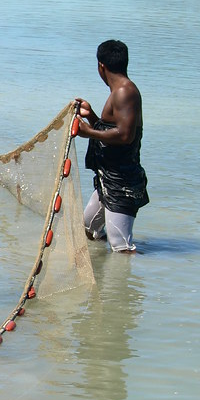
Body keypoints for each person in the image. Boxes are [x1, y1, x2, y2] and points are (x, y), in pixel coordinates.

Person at [75, 39, 149, 252]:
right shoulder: (119, 91)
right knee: (89, 228)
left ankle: (130, 281)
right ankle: (105, 282)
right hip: (108, 179)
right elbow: (113, 129)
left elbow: (125, 135)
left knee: (121, 247)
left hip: (122, 184)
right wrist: (92, 118)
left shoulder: (125, 92)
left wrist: (88, 132)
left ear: (101, 66)